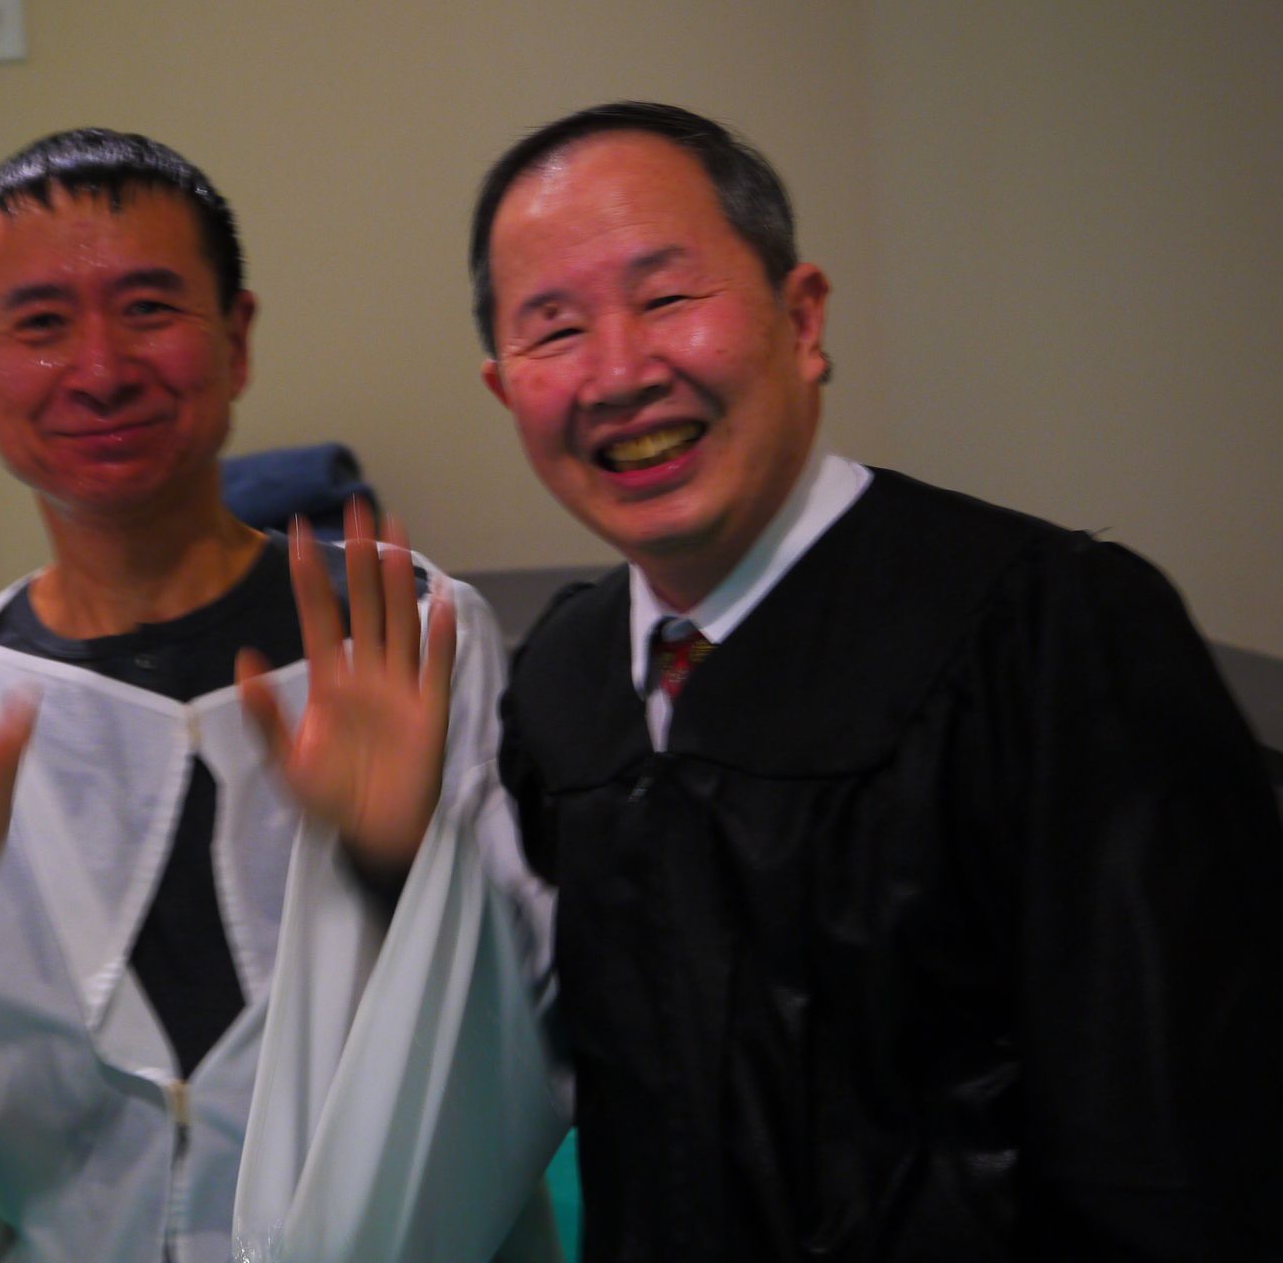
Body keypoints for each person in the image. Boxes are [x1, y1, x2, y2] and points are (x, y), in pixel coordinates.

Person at [0, 129, 557, 1263]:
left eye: (149, 309)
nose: (100, 370)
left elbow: (546, 1049)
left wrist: (402, 865)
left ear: (236, 339)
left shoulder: (411, 645)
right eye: (41, 325)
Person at [465, 101, 1283, 1259]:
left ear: (801, 318)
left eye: (667, 296)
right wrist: (389, 857)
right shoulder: (562, 683)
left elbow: (1186, 1153)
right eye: (554, 329)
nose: (618, 371)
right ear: (506, 391)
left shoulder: (1054, 637)